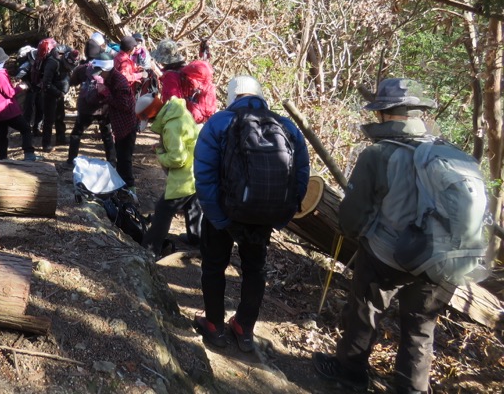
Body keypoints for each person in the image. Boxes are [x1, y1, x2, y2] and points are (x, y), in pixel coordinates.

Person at [313, 78, 450, 394]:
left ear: (385, 114)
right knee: (420, 330)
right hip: (444, 259)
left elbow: (352, 213)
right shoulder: (445, 151)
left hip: (390, 254)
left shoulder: (378, 154)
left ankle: (350, 372)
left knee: (366, 310)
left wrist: (352, 232)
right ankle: (411, 389)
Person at [193, 75, 309, 351]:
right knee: (254, 269)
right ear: (260, 96)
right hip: (265, 215)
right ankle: (244, 328)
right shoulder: (287, 126)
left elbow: (204, 175)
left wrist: (217, 217)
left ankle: (213, 325)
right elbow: (301, 176)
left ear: (232, 97)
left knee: (213, 266)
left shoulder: (219, 123)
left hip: (224, 213)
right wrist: (281, 215)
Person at [137, 94, 203, 258]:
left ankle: (150, 249)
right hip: (198, 168)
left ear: (151, 115)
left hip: (185, 175)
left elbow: (177, 159)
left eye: (148, 120)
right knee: (193, 204)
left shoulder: (170, 126)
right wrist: (163, 146)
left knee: (163, 209)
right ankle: (196, 238)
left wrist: (160, 153)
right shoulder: (177, 111)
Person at [0, 47, 37, 161]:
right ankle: (29, 154)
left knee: (1, 135)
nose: (4, 62)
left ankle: (1, 158)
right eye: (3, 60)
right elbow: (10, 93)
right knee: (26, 129)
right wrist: (21, 87)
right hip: (6, 110)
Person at [94, 52, 139, 190]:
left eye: (101, 72)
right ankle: (121, 188)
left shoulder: (119, 81)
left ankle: (131, 191)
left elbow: (124, 105)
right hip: (119, 125)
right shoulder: (109, 79)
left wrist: (105, 92)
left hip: (127, 125)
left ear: (107, 69)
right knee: (120, 158)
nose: (100, 75)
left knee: (125, 160)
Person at [67, 53, 116, 167]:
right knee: (107, 135)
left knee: (76, 134)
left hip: (86, 107)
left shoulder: (83, 69)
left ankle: (71, 160)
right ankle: (112, 161)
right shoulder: (111, 71)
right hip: (104, 107)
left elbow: (72, 81)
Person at [40, 45, 79, 152]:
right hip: (49, 94)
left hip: (59, 93)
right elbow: (46, 84)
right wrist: (58, 93)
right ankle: (46, 143)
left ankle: (60, 138)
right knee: (49, 119)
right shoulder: (52, 63)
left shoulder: (70, 55)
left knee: (60, 116)